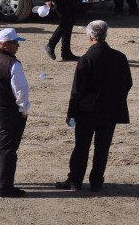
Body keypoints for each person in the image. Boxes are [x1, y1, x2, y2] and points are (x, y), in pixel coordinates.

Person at [54, 20, 132, 193]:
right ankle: (96, 182)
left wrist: (71, 113)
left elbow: (77, 91)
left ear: (90, 37)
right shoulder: (120, 57)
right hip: (110, 111)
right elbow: (127, 83)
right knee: (102, 148)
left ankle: (75, 181)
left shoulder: (86, 59)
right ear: (105, 35)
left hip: (87, 111)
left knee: (81, 147)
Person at [0, 28, 30, 197]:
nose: (17, 46)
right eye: (15, 43)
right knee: (7, 150)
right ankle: (4, 187)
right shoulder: (12, 64)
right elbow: (21, 90)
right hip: (7, 113)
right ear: (5, 44)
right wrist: (24, 109)